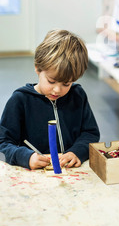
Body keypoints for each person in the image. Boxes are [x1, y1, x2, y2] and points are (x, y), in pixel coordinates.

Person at [0, 29, 100, 170]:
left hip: (71, 173)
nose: (57, 90)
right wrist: (25, 157)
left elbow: (90, 133)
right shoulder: (20, 100)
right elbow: (3, 143)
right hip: (33, 177)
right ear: (38, 68)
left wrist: (77, 152)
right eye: (51, 81)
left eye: (66, 83)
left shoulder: (78, 95)